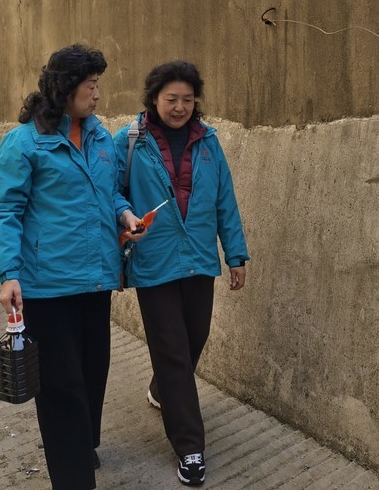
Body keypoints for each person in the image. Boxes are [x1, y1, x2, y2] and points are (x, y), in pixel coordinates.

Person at [0, 44, 139, 490]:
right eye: (90, 86)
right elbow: (5, 210)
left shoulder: (99, 137)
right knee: (60, 386)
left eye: (97, 85)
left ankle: (82, 444)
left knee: (93, 373)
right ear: (65, 88)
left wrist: (124, 214)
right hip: (46, 286)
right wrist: (8, 273)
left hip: (95, 280)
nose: (97, 95)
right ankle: (73, 477)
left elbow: (110, 190)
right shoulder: (23, 143)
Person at [114, 60, 249, 487]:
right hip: (154, 261)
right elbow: (110, 191)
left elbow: (225, 199)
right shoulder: (130, 141)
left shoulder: (208, 141)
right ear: (154, 99)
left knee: (194, 337)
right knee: (172, 349)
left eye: (187, 100)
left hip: (199, 259)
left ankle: (162, 390)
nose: (179, 107)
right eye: (171, 99)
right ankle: (190, 447)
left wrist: (236, 255)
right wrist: (125, 215)